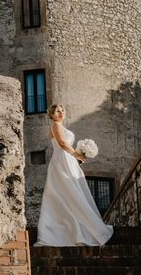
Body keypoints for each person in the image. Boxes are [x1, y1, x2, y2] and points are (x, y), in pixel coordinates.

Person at [35, 104, 113, 247]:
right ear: (51, 115)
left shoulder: (61, 126)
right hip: (61, 161)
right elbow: (63, 143)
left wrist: (78, 155)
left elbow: (66, 144)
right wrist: (76, 154)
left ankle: (78, 230)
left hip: (68, 160)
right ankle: (65, 233)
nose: (60, 112)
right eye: (57, 111)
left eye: (62, 110)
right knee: (68, 193)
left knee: (72, 194)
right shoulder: (56, 125)